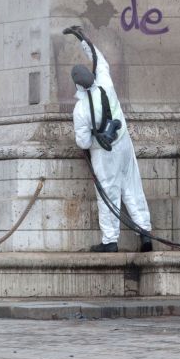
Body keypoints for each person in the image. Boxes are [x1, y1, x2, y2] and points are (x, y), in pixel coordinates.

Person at [63, 25, 153, 253]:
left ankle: (110, 241)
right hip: (123, 143)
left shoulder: (81, 110)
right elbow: (99, 59)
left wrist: (94, 136)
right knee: (133, 188)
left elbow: (83, 143)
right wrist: (83, 40)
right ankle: (144, 234)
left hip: (104, 154)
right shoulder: (105, 83)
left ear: (76, 85)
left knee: (108, 195)